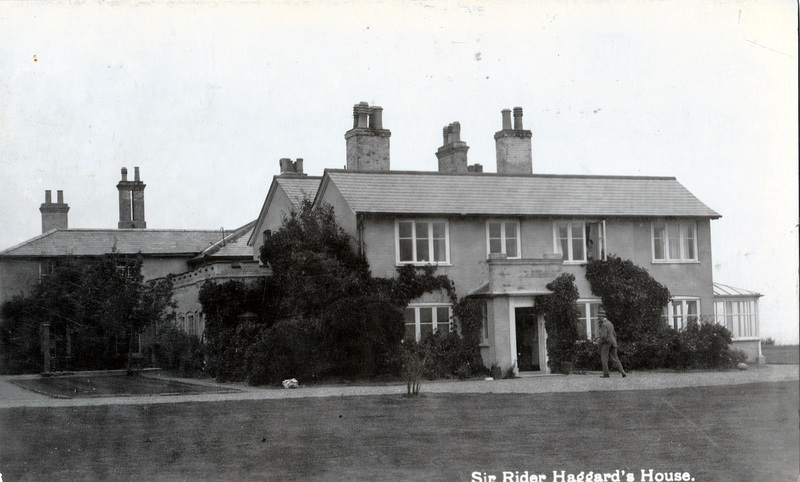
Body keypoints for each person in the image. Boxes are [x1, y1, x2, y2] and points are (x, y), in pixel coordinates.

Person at [597, 307, 626, 378]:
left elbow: (604, 336)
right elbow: (614, 333)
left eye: (599, 317)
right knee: (615, 358)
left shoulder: (603, 324)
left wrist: (599, 342)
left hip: (606, 343)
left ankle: (606, 374)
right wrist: (614, 341)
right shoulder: (610, 323)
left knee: (604, 358)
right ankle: (622, 371)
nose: (598, 318)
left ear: (602, 317)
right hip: (613, 342)